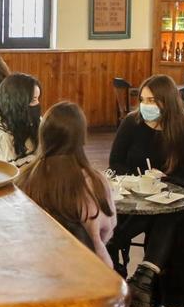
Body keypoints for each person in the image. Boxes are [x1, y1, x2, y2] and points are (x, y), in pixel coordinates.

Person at [108, 74, 184, 307]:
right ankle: (140, 275)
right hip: (133, 194)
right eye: (143, 99)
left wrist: (165, 180)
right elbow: (116, 162)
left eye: (152, 100)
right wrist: (137, 180)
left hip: (175, 196)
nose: (146, 105)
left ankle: (145, 278)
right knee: (147, 216)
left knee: (166, 215)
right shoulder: (132, 123)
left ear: (167, 101)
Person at [17, 102, 117, 268]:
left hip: (33, 268)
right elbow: (106, 229)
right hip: (88, 271)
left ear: (43, 135)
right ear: (81, 137)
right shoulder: (94, 181)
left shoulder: (24, 177)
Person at [0, 72, 41, 166]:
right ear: (17, 103)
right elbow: (6, 174)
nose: (38, 104)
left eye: (38, 98)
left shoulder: (24, 119)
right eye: (33, 100)